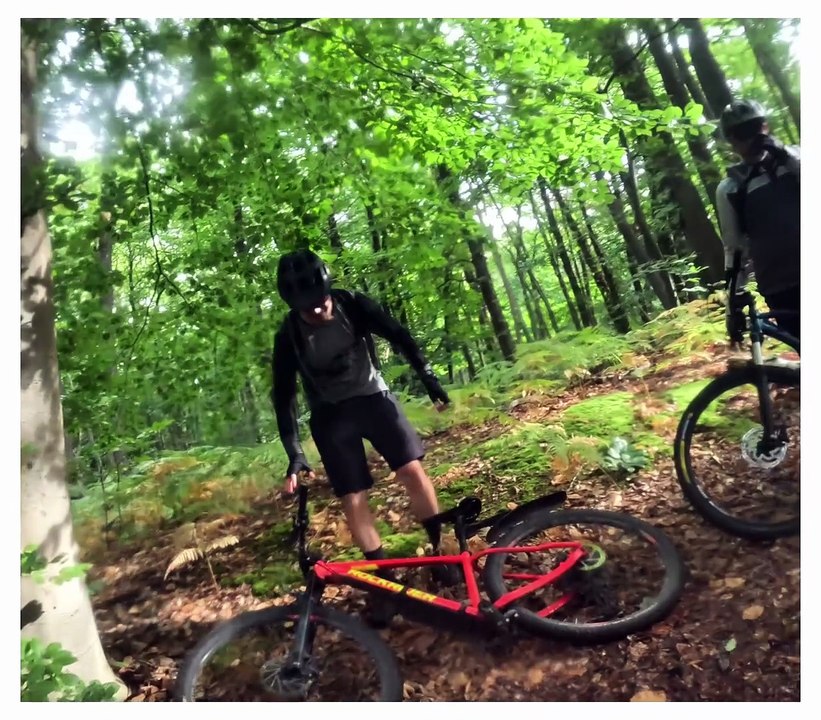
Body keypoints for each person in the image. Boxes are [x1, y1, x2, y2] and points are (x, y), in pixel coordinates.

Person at [270, 248, 454, 621]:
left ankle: (442, 554)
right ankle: (384, 583)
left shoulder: (352, 304)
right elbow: (284, 396)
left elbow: (399, 335)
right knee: (353, 497)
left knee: (411, 470)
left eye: (321, 303)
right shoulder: (288, 335)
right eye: (308, 310)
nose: (318, 312)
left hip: (374, 399)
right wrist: (295, 454)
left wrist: (428, 377)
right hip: (331, 415)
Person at [715, 99, 800, 345]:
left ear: (766, 127)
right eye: (742, 133)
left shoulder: (796, 160)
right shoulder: (731, 188)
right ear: (731, 141)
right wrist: (734, 299)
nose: (752, 137)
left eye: (756, 127)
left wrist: (785, 155)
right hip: (780, 287)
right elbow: (733, 248)